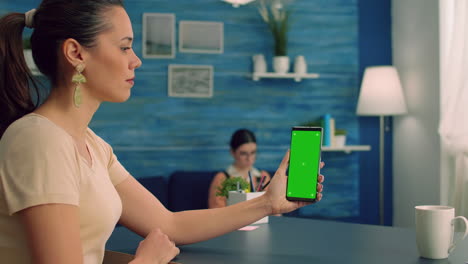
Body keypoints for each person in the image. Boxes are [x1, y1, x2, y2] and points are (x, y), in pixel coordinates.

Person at [0, 1, 325, 263]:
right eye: (125, 47)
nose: (136, 61)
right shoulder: (39, 141)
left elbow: (168, 224)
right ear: (76, 54)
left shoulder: (92, 146)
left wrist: (269, 202)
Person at [208, 129, 272, 208]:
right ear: (232, 152)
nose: (249, 158)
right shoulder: (222, 178)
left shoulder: (263, 176)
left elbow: (271, 206)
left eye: (253, 152)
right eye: (243, 153)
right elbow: (217, 211)